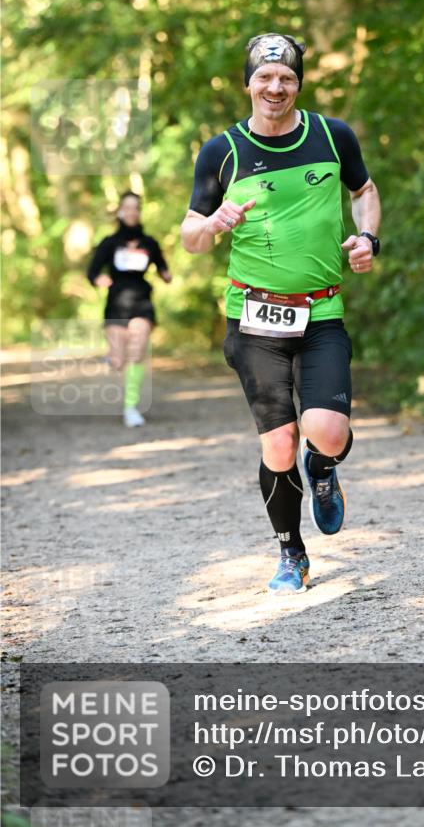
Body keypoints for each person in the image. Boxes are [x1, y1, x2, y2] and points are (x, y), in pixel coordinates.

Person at [182, 33, 381, 595]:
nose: (276, 87)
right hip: (254, 319)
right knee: (278, 443)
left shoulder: (331, 135)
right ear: (248, 83)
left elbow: (365, 190)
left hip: (321, 312)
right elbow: (190, 237)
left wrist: (368, 237)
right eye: (265, 78)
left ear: (298, 84)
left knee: (327, 433)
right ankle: (292, 554)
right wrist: (213, 223)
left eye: (287, 78)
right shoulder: (221, 151)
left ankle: (324, 469)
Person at [87, 191, 172, 427]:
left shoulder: (149, 243)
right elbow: (92, 272)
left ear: (139, 211)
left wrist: (166, 275)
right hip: (116, 303)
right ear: (120, 212)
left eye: (136, 207)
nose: (132, 211)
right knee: (119, 360)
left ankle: (130, 407)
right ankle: (113, 358)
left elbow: (163, 268)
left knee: (137, 352)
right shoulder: (109, 243)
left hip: (142, 302)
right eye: (128, 207)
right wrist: (99, 280)